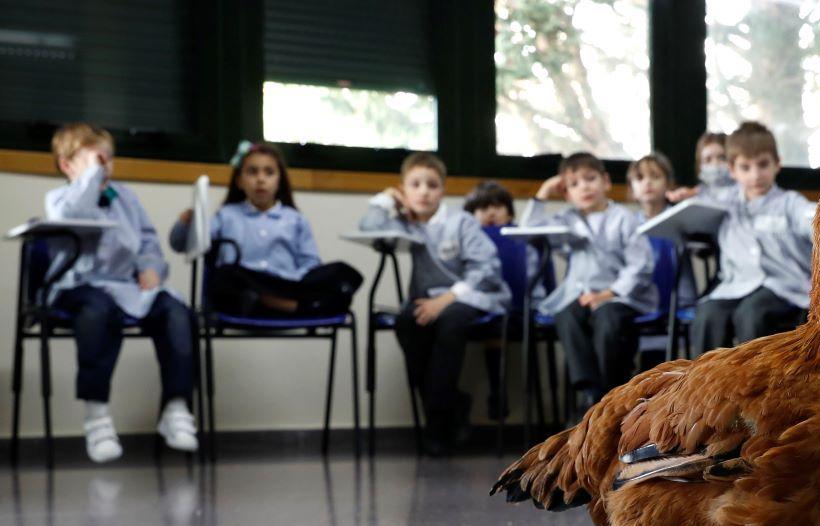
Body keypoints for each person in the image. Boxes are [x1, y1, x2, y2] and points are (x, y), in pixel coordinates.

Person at [44, 122, 199, 463]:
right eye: (95, 159)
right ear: (67, 165)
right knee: (97, 312)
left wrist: (151, 268)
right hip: (80, 286)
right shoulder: (60, 199)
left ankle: (176, 407)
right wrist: (89, 180)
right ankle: (97, 415)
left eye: (109, 159)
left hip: (126, 287)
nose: (105, 166)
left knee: (177, 311)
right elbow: (77, 215)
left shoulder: (127, 198)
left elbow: (148, 242)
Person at [360, 153, 511, 456]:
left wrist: (446, 298)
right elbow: (369, 229)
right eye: (415, 185)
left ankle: (437, 423)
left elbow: (487, 269)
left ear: (442, 190)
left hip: (471, 295)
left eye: (431, 185)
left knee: (449, 321)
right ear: (404, 190)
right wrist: (385, 201)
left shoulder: (460, 221)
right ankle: (450, 402)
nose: (424, 191)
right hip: (426, 300)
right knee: (406, 321)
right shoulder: (404, 223)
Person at [522, 151, 656, 411]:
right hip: (582, 295)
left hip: (620, 296)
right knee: (565, 315)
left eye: (590, 179)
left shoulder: (623, 218)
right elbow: (529, 231)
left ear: (605, 181)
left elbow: (640, 265)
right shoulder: (567, 220)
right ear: (566, 194)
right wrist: (543, 192)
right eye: (573, 184)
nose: (584, 187)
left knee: (607, 319)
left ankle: (610, 390)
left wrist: (608, 293)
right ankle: (589, 391)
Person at [170, 141, 362, 319]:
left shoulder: (295, 219)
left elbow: (310, 262)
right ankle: (296, 307)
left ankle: (282, 303)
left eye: (269, 172)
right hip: (241, 289)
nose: (260, 179)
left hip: (286, 285)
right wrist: (185, 222)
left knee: (343, 272)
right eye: (252, 172)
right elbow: (183, 246)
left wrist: (297, 281)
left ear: (279, 181)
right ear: (239, 181)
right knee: (224, 275)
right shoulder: (226, 215)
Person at [670, 121, 816, 352]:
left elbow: (812, 219)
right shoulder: (724, 202)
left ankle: (754, 387)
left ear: (777, 164)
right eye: (745, 167)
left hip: (782, 287)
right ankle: (706, 387)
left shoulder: (790, 203)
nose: (755, 175)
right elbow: (696, 208)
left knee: (751, 314)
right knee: (707, 315)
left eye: (763, 165)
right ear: (732, 170)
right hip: (735, 285)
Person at [627, 152, 674, 224]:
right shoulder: (629, 223)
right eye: (640, 178)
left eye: (655, 176)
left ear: (668, 184)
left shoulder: (679, 218)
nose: (647, 182)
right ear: (631, 189)